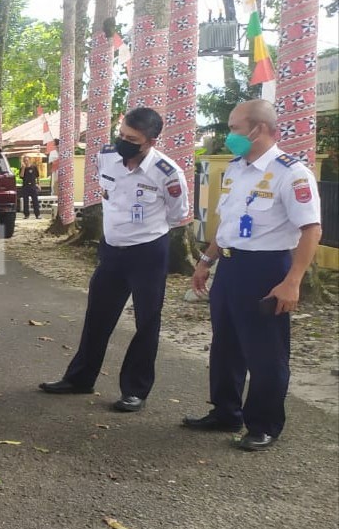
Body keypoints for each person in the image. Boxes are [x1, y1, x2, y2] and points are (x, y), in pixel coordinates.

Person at [184, 99, 322, 451]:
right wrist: (206, 261)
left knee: (265, 351)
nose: (230, 136)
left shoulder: (291, 173)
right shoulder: (235, 169)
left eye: (233, 128)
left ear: (258, 129)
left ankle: (263, 424)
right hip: (230, 266)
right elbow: (227, 224)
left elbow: (311, 230)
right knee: (225, 345)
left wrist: (293, 281)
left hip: (266, 269)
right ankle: (226, 412)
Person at [39, 107, 189, 412]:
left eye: (131, 138)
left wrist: (144, 233)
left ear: (151, 141)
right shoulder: (107, 156)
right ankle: (80, 378)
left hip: (148, 253)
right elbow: (107, 192)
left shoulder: (168, 173)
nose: (123, 142)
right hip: (111, 250)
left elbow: (176, 216)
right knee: (97, 316)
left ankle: (135, 389)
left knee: (147, 321)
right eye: (121, 134)